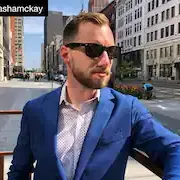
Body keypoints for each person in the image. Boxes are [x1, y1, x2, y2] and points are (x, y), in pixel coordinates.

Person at [8, 12, 180, 180]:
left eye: (111, 51)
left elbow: (174, 148)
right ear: (66, 54)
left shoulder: (127, 109)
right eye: (93, 49)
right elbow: (18, 171)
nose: (106, 61)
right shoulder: (35, 110)